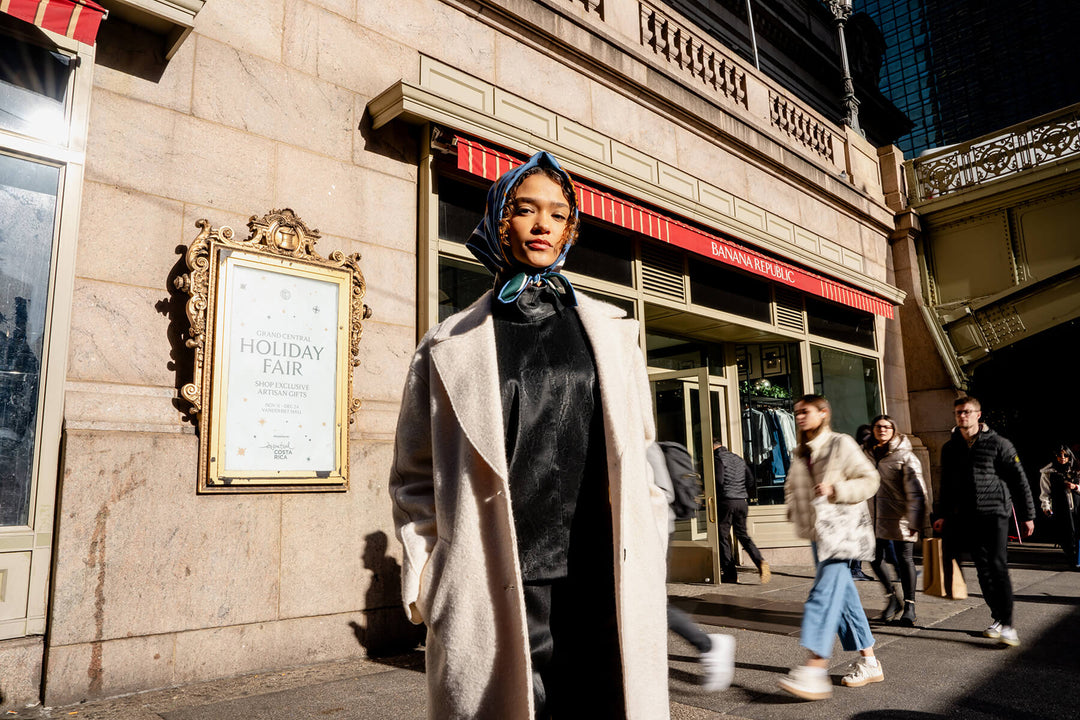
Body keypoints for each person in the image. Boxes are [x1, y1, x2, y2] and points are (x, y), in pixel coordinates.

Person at [388, 151, 671, 720]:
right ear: (499, 220)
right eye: (525, 209)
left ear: (570, 228)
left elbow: (641, 450)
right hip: (489, 574)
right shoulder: (447, 343)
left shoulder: (613, 334)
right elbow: (413, 475)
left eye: (558, 214)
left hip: (599, 573)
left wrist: (655, 530)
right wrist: (428, 576)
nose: (543, 224)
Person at [778, 395, 884, 700]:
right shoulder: (801, 450)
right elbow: (793, 486)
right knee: (845, 598)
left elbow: (870, 479)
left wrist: (837, 490)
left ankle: (815, 668)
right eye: (796, 412)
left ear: (824, 413)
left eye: (805, 412)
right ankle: (870, 661)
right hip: (817, 533)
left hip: (841, 532)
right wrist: (793, 509)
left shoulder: (841, 444)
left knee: (823, 595)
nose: (799, 417)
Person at [933, 396, 1035, 648]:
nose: (962, 416)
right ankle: (998, 618)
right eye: (958, 412)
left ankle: (1009, 625)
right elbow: (945, 485)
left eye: (967, 412)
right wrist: (941, 514)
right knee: (983, 570)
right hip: (967, 516)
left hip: (995, 513)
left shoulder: (999, 444)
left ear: (978, 415)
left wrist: (1028, 514)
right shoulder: (950, 448)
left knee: (998, 566)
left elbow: (1019, 480)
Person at [650, 445, 736, 692]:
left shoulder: (645, 444)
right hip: (634, 538)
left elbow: (662, 494)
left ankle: (708, 644)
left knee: (651, 603)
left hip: (651, 535)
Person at [862, 414, 928, 626]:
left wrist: (915, 520)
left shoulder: (905, 455)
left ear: (894, 430)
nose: (882, 430)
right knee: (873, 558)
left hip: (900, 516)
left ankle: (909, 606)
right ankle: (892, 599)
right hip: (873, 516)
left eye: (887, 427)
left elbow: (918, 492)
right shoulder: (866, 454)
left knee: (904, 559)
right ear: (873, 430)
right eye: (878, 426)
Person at [714, 440, 770, 584]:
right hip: (741, 502)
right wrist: (741, 490)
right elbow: (750, 480)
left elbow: (719, 481)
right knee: (743, 535)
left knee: (722, 536)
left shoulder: (717, 458)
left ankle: (730, 574)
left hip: (727, 501)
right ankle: (760, 561)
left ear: (712, 447)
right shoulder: (738, 458)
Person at [1038, 445, 1080, 566]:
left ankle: (1077, 558)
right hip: (1061, 506)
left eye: (1065, 455)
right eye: (1059, 455)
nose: (1062, 458)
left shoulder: (1076, 469)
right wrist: (1046, 507)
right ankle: (1072, 558)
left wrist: (1075, 487)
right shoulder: (1048, 473)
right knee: (1066, 533)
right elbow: (1045, 492)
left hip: (1077, 505)